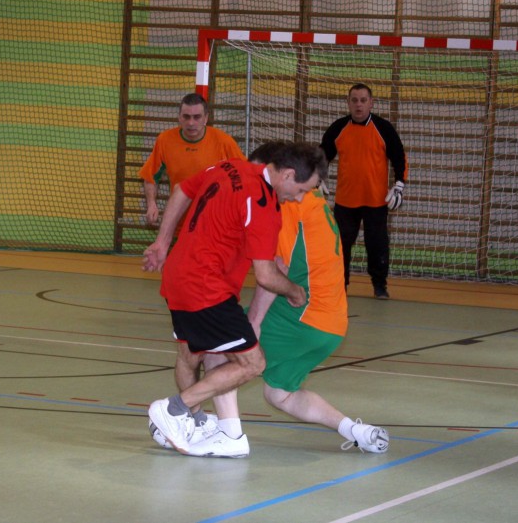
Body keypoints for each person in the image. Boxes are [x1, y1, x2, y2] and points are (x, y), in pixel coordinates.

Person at [180, 143, 390, 457]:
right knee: (279, 393)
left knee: (221, 350)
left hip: (304, 314)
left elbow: (278, 268)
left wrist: (254, 322)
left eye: (258, 171)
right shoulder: (312, 199)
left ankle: (227, 434)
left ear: (278, 172)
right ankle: (355, 430)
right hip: (332, 324)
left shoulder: (286, 203)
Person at [143, 141, 325, 456]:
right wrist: (295, 292)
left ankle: (194, 423)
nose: (299, 198)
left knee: (190, 354)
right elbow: (266, 275)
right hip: (207, 289)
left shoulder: (228, 167)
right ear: (287, 174)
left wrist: (162, 242)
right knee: (252, 363)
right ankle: (175, 410)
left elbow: (182, 190)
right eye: (301, 190)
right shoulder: (264, 205)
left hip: (178, 275)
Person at [320, 83, 408, 300]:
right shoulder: (338, 128)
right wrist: (317, 177)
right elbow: (321, 155)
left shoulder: (383, 128)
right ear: (348, 103)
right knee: (341, 246)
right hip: (345, 201)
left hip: (376, 201)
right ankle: (340, 285)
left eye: (363, 100)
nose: (358, 105)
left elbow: (399, 157)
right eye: (354, 100)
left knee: (377, 246)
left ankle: (380, 286)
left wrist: (399, 184)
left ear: (371, 103)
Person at [139, 93, 245, 226]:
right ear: (179, 117)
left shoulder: (224, 142)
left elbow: (245, 177)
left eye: (197, 117)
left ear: (206, 118)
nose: (191, 123)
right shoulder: (165, 141)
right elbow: (150, 177)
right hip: (179, 222)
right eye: (186, 117)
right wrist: (151, 204)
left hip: (215, 223)